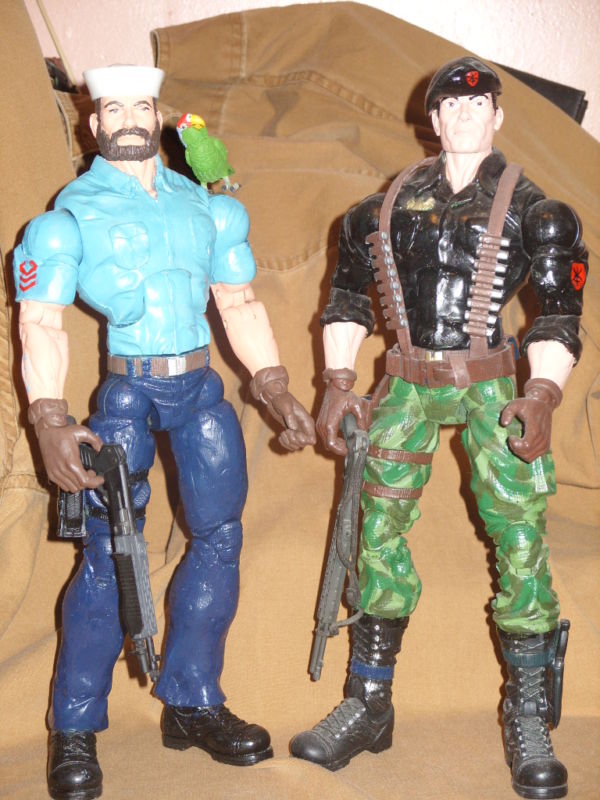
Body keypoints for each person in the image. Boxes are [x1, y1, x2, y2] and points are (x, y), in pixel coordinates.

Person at [14, 65, 315, 800]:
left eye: (141, 106)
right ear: (93, 124)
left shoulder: (206, 208)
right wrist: (49, 419)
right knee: (108, 555)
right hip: (128, 391)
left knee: (220, 539)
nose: (128, 120)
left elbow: (237, 301)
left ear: (158, 116)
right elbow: (40, 323)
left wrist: (273, 384)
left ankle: (192, 699)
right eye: (112, 108)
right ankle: (74, 725)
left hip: (202, 388)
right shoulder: (67, 220)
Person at [290, 57, 587, 799]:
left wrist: (542, 393)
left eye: (476, 106)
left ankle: (527, 716)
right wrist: (337, 384)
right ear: (433, 118)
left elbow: (557, 314)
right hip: (407, 381)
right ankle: (369, 703)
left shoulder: (537, 212)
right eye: (450, 106)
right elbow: (347, 299)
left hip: (491, 383)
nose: (463, 116)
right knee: (376, 531)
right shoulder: (379, 211)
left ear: (497, 117)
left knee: (519, 536)